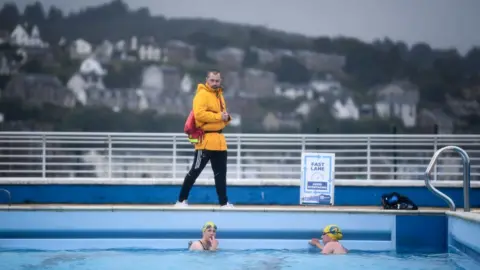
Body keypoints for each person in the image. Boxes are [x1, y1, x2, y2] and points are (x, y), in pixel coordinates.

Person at [176, 70, 234, 208]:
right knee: (194, 171)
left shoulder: (219, 95)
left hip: (219, 140)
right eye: (212, 80)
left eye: (217, 80)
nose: (215, 83)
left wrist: (226, 118)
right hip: (205, 140)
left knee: (221, 175)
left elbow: (221, 116)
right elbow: (200, 115)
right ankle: (181, 200)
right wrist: (219, 117)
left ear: (220, 81)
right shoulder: (201, 95)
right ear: (207, 80)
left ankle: (223, 203)